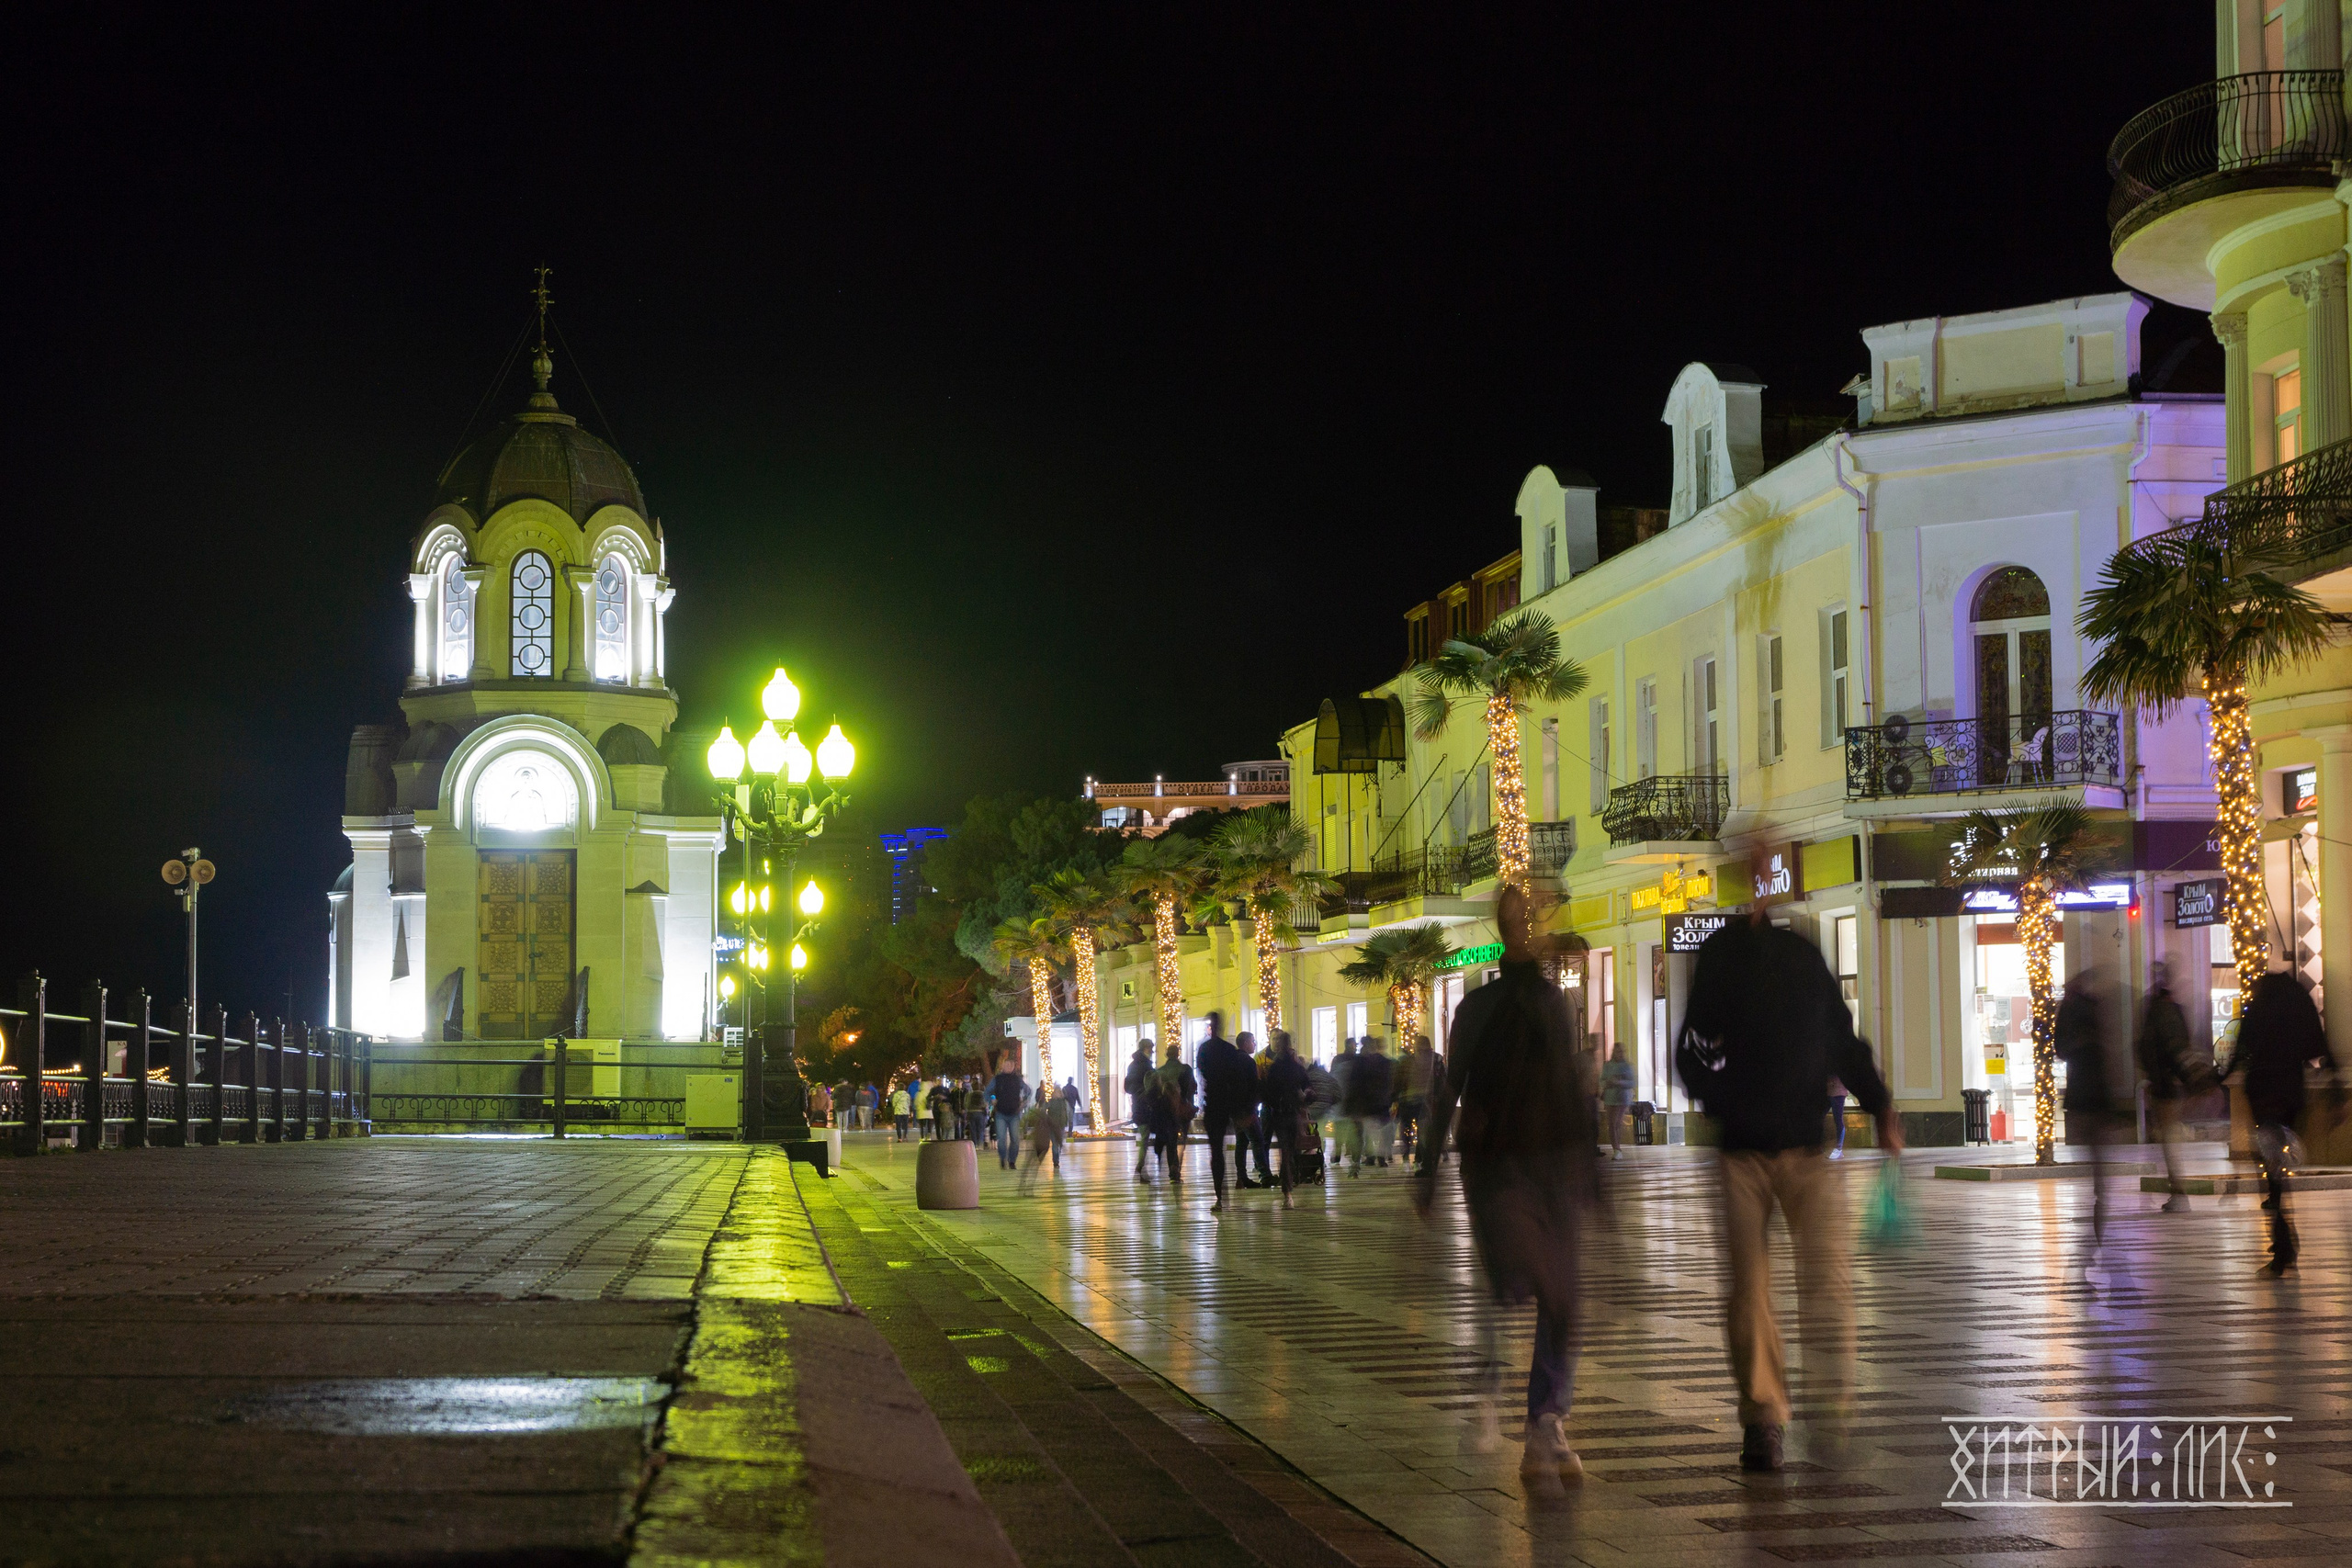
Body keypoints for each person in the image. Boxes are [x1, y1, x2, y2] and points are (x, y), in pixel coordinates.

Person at [1678, 909, 1899, 1475]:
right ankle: (1763, 1419)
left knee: (1830, 1284)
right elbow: (1694, 1047)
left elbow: (1842, 1039)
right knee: (1749, 1290)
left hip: (1807, 1146)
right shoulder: (1722, 958)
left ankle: (1831, 1407)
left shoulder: (1803, 958)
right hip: (1743, 1152)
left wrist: (1880, 1104)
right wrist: (1721, 1100)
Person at [1417, 886, 1597, 1494]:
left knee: (1558, 1294)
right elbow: (1452, 1086)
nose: (1523, 922)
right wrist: (1428, 1166)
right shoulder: (1497, 1006)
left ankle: (1543, 1420)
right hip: (1503, 1166)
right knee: (1531, 1285)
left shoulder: (1538, 1002)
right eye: (1516, 915)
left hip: (1540, 1162)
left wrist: (1590, 1169)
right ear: (1505, 924)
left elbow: (1568, 1089)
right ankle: (1513, 1402)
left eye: (1527, 914)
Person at [2224, 971, 2341, 1275]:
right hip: (2291, 1093)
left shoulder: (2260, 1004)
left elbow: (2240, 1049)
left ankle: (2283, 1247)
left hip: (2263, 1095)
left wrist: (2215, 1080)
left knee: (2271, 1172)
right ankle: (2284, 1243)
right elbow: (2319, 1048)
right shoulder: (2299, 1000)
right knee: (2278, 1170)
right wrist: (2336, 1090)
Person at [2053, 965, 2119, 1246]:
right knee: (2097, 1153)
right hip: (2094, 1095)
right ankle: (2100, 1190)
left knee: (2094, 1151)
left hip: (2082, 1095)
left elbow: (2060, 1049)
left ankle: (2099, 1190)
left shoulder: (2069, 1013)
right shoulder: (2090, 1013)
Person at [2138, 961, 2198, 1212]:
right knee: (2169, 1138)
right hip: (2168, 1082)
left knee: (2170, 1139)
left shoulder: (2158, 1009)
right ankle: (2178, 1191)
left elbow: (2158, 1047)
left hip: (2165, 1084)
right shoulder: (2172, 1009)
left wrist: (2159, 1078)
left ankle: (2179, 1193)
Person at [1196, 1013, 1257, 1213]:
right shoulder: (1228, 1050)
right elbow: (1237, 1081)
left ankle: (1221, 1196)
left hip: (1213, 1104)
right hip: (1227, 1104)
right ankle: (1225, 1192)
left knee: (1217, 1152)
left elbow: (1204, 1074)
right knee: (1231, 1148)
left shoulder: (1205, 1049)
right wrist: (1243, 1109)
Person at [1261, 1030, 1311, 1209]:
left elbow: (1268, 1093)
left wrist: (1275, 1104)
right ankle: (1290, 1182)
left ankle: (1287, 1190)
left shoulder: (1275, 1067)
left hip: (1280, 1113)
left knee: (1286, 1150)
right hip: (1294, 1113)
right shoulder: (1297, 1066)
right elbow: (1308, 1087)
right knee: (1291, 1150)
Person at [1344, 1033, 1395, 1175]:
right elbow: (1388, 1083)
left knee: (1360, 1134)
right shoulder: (1384, 1062)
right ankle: (1378, 1158)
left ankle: (1356, 1164)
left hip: (1362, 1105)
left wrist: (1350, 1104)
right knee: (1377, 1132)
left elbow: (1353, 1084)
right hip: (1377, 1104)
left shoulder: (1359, 1062)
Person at [1151, 1040, 1196, 1187]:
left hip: (1167, 1111)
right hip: (1184, 1109)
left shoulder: (1160, 1071)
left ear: (1166, 1055)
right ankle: (1177, 1169)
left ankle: (1173, 1170)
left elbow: (1155, 1093)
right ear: (1178, 1054)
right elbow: (1193, 1087)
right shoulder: (1186, 1069)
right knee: (1182, 1140)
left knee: (1171, 1141)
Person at [1396, 1034, 1437, 1163]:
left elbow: (1400, 1080)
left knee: (1411, 1129)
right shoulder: (1435, 1059)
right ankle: (1417, 1156)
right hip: (1420, 1100)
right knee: (1420, 1130)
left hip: (1413, 1099)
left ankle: (1412, 1154)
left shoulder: (1409, 1061)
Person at [1125, 1039, 1159, 1182]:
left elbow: (1127, 1087)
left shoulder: (1132, 1065)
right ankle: (1140, 1169)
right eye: (1151, 1049)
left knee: (1145, 1137)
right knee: (1145, 1138)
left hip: (1137, 1105)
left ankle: (1141, 1168)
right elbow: (1153, 1087)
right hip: (1146, 1106)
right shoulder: (1146, 1066)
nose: (1152, 1051)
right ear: (1146, 1049)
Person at [989, 1058, 1028, 1171]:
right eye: (1007, 1065)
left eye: (1011, 1065)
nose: (1009, 1067)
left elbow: (1028, 1091)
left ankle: (1012, 1161)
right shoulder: (997, 1079)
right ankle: (1002, 1158)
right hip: (1001, 1113)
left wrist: (1023, 1103)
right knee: (1001, 1139)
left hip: (1014, 1113)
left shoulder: (1017, 1080)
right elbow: (988, 1092)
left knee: (1015, 1139)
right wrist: (992, 1099)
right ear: (1003, 1066)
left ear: (1013, 1067)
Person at [1600, 1043, 1634, 1157]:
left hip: (1622, 1097)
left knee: (1616, 1123)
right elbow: (1602, 1080)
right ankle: (1616, 1148)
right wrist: (1608, 1082)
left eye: (1621, 1051)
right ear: (1613, 1052)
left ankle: (1617, 1149)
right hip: (1610, 1097)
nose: (1619, 1054)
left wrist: (1619, 1082)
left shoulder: (1627, 1066)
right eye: (1617, 1051)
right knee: (1611, 1123)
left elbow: (1632, 1082)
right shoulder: (1608, 1065)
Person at [1046, 1079, 1072, 1171]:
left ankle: (1056, 1158)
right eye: (1057, 1091)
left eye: (1059, 1091)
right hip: (1053, 1126)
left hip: (1061, 1126)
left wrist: (1066, 1122)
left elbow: (1066, 1113)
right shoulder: (1051, 1101)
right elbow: (1044, 1108)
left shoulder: (1063, 1102)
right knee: (1055, 1144)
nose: (1058, 1093)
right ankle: (1055, 1161)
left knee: (1059, 1144)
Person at [1825, 1077, 1847, 1158]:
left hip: (1838, 1093)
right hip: (1828, 1092)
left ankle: (1839, 1149)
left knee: (1838, 1119)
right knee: (1819, 1117)